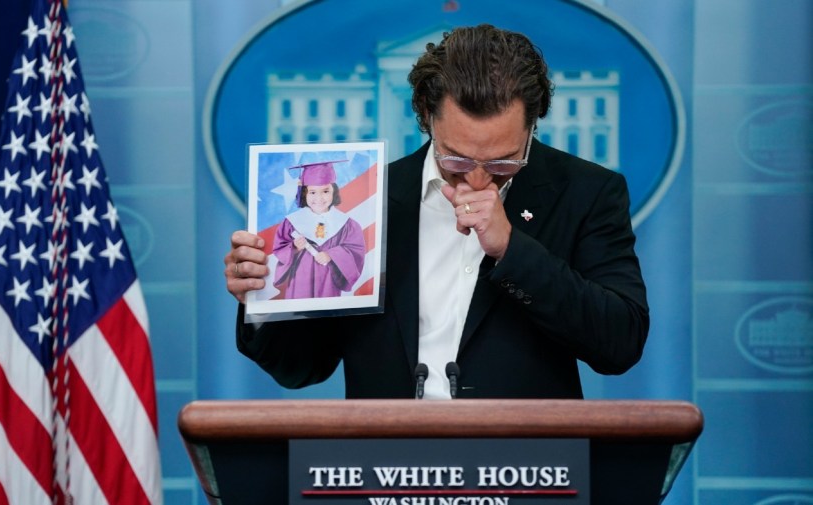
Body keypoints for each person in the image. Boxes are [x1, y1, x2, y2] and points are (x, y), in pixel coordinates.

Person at [225, 24, 649, 399]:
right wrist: (262, 299)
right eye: (458, 160)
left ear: (533, 125)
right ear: (427, 116)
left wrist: (512, 251)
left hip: (528, 468)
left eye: (504, 163)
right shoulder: (367, 203)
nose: (480, 180)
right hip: (385, 467)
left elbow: (620, 343)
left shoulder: (586, 191)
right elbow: (301, 368)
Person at [271, 161, 366, 299]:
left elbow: (356, 251)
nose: (319, 198)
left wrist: (332, 255)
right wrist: (295, 247)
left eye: (326, 191)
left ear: (334, 191)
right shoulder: (292, 222)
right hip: (300, 280)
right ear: (304, 193)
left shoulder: (347, 224)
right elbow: (280, 248)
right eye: (312, 192)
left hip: (329, 281)